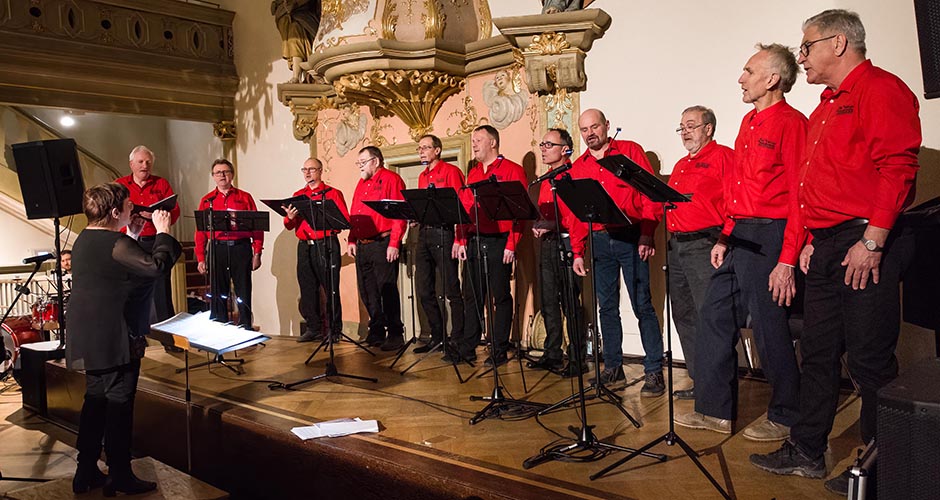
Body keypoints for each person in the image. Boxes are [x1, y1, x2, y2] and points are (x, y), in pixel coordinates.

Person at [750, 10, 920, 495]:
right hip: (826, 245)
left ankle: (882, 465)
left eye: (806, 47)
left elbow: (897, 168)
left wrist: (873, 241)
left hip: (864, 241)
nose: (800, 57)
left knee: (868, 361)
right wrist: (805, 241)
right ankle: (807, 450)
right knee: (819, 353)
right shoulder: (825, 106)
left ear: (838, 43)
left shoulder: (881, 89)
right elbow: (809, 185)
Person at [676, 44, 806, 441]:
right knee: (714, 316)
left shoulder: (792, 123)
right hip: (739, 235)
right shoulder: (748, 124)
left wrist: (787, 258)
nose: (740, 78)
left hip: (772, 234)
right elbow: (739, 188)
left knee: (769, 326)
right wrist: (726, 235)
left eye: (748, 71)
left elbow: (801, 193)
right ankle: (714, 411)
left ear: (772, 79)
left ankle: (786, 415)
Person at [65, 182, 181, 496]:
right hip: (113, 336)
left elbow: (115, 269)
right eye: (129, 207)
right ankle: (120, 475)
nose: (132, 210)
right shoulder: (114, 242)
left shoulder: (83, 239)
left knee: (95, 402)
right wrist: (163, 232)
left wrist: (132, 233)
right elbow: (155, 268)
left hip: (88, 333)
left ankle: (85, 470)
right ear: (115, 212)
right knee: (119, 405)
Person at [569, 109, 665, 397]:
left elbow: (650, 195)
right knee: (606, 308)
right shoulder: (579, 166)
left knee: (643, 306)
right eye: (584, 129)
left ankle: (654, 370)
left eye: (594, 127)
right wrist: (577, 251)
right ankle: (613, 366)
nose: (590, 134)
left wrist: (647, 233)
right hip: (598, 240)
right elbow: (576, 214)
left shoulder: (630, 151)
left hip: (631, 237)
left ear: (607, 126)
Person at [665, 106, 733, 399]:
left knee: (710, 316)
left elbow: (735, 202)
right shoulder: (680, 164)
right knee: (684, 314)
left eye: (691, 125)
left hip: (705, 245)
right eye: (681, 127)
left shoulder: (724, 157)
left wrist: (725, 240)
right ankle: (700, 380)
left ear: (708, 128)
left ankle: (718, 388)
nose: (685, 132)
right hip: (676, 245)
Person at [454, 125, 527, 367]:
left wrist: (511, 244)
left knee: (501, 297)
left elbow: (520, 213)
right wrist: (460, 238)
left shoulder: (513, 170)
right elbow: (464, 210)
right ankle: (469, 346)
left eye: (478, 140)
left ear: (493, 142)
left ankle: (499, 349)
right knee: (472, 296)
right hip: (475, 240)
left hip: (500, 242)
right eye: (472, 140)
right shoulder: (473, 174)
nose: (473, 144)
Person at [529, 128, 585, 377]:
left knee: (570, 302)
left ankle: (577, 357)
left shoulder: (572, 176)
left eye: (548, 144)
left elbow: (576, 216)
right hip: (548, 244)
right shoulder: (546, 178)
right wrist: (540, 224)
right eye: (542, 144)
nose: (543, 149)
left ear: (565, 149)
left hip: (568, 244)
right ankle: (552, 352)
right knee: (549, 300)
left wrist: (552, 225)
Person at [115, 145, 181, 352]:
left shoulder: (161, 183)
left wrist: (158, 216)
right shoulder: (120, 185)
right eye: (141, 162)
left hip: (155, 240)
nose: (145, 165)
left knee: (162, 292)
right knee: (131, 291)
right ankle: (136, 336)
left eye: (148, 162)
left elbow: (175, 211)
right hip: (131, 241)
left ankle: (169, 340)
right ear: (131, 164)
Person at [348, 146, 407, 351]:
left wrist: (394, 243)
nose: (360, 167)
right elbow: (355, 212)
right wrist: (351, 239)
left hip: (383, 242)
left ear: (376, 161)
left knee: (386, 289)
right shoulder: (361, 183)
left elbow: (399, 214)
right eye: (358, 163)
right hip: (363, 245)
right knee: (368, 290)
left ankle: (395, 333)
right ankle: (376, 331)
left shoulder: (391, 179)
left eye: (363, 162)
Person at [285, 158, 349, 343]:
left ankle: (334, 330)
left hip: (325, 244)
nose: (307, 173)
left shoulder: (332, 193)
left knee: (330, 288)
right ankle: (313, 328)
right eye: (304, 169)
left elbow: (343, 220)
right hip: (305, 246)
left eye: (311, 169)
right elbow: (289, 225)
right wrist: (290, 217)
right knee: (307, 288)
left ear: (320, 170)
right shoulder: (298, 195)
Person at [193, 159, 263, 329]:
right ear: (213, 177)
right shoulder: (207, 200)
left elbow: (257, 228)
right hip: (218, 249)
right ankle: (221, 329)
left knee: (243, 290)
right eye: (218, 173)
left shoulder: (244, 197)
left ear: (232, 175)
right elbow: (200, 232)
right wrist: (201, 258)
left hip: (241, 248)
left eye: (226, 172)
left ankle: (246, 328)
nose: (222, 175)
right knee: (218, 292)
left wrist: (257, 253)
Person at [412, 135, 465, 355]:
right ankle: (437, 336)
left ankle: (459, 339)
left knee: (452, 288)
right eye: (419, 148)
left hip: (444, 233)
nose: (422, 151)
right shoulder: (422, 176)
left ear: (438, 150)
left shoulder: (451, 172)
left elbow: (460, 207)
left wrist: (458, 238)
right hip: (424, 234)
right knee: (424, 289)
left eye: (426, 147)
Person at [271, 0, 321, 83]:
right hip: (294, 18)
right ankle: (296, 75)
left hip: (306, 18)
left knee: (295, 33)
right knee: (293, 37)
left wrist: (295, 4)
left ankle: (297, 76)